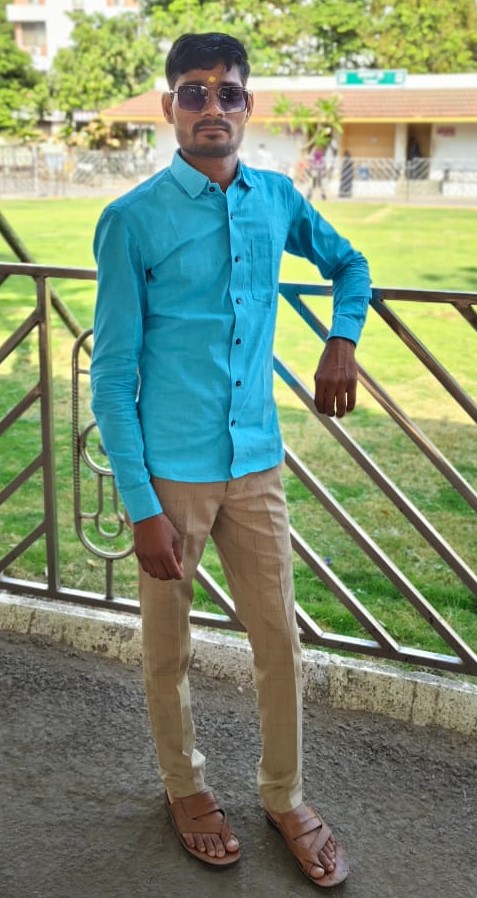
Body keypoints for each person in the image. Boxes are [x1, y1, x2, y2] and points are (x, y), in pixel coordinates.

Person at [91, 32, 371, 889]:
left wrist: (340, 340)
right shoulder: (132, 220)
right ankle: (185, 788)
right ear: (169, 107)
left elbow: (350, 264)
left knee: (278, 639)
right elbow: (112, 377)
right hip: (170, 476)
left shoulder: (275, 199)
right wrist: (141, 505)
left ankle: (284, 795)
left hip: (256, 465)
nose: (212, 107)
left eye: (228, 93)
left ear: (248, 107)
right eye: (193, 92)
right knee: (166, 647)